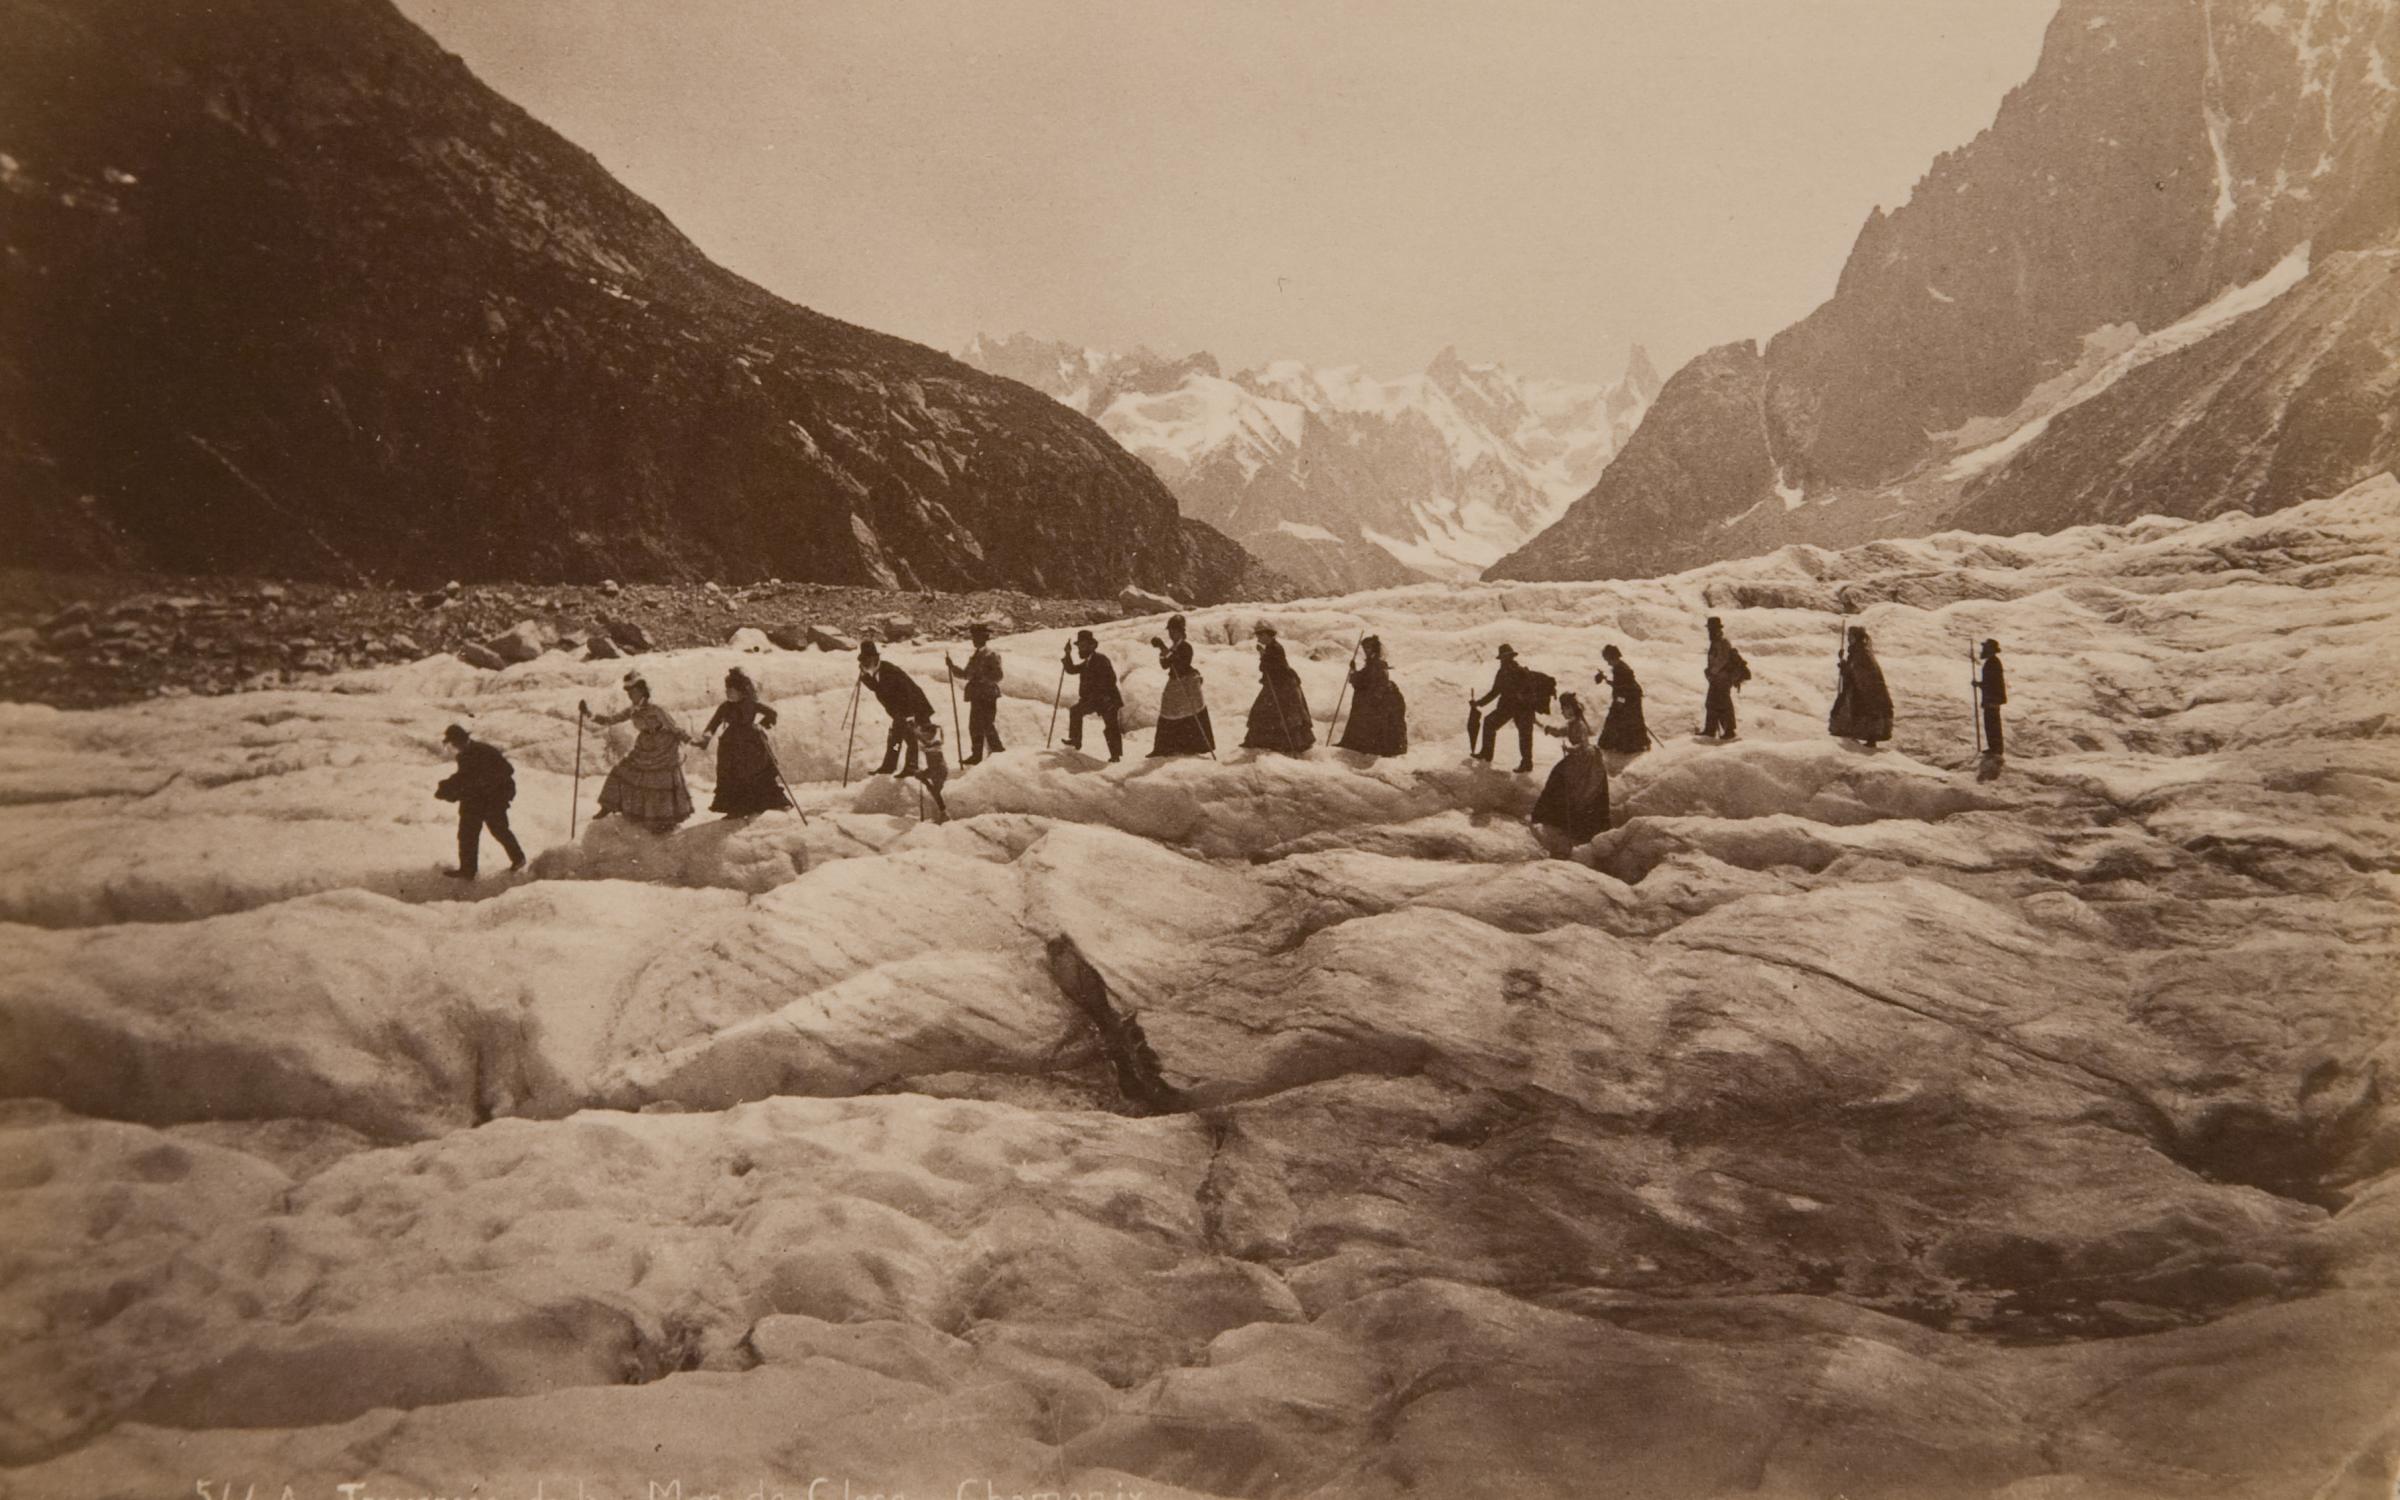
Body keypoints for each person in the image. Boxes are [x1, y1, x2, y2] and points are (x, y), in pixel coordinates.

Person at [582, 672, 697, 830]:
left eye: (633, 691)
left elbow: (674, 727)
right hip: (645, 745)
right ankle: (608, 806)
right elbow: (610, 720)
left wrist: (691, 740)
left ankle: (662, 821)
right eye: (628, 691)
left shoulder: (656, 708)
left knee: (658, 784)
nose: (630, 695)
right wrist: (589, 714)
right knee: (621, 771)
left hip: (663, 747)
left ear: (643, 691)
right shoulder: (632, 710)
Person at [434, 723, 525, 879]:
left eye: (455, 742)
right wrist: (448, 787)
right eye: (452, 743)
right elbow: (465, 777)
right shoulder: (462, 756)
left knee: (499, 829)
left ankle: (519, 859)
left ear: (463, 739)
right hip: (474, 799)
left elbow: (507, 770)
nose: (454, 745)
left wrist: (486, 783)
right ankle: (467, 871)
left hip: (494, 798)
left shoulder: (484, 750)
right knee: (467, 834)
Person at [698, 666, 791, 815]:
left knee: (757, 773)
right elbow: (714, 722)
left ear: (740, 691)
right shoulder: (725, 707)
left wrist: (761, 725)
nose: (728, 693)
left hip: (751, 744)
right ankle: (737, 809)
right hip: (731, 745)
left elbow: (771, 713)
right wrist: (707, 735)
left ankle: (772, 802)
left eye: (731, 690)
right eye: (726, 690)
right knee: (733, 776)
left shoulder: (751, 704)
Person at [1530, 692, 1611, 846]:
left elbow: (1583, 745)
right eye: (1562, 709)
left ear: (1572, 709)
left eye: (1565, 709)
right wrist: (1538, 724)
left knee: (1580, 790)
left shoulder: (1579, 725)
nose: (1563, 712)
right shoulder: (1572, 724)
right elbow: (1558, 731)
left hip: (1587, 762)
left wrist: (1570, 748)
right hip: (1577, 759)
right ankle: (1554, 820)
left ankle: (1575, 827)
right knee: (1558, 776)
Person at [859, 642, 934, 777]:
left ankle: (915, 767)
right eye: (863, 660)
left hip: (915, 707)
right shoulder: (876, 672)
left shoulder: (890, 671)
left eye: (867, 659)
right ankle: (889, 767)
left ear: (875, 658)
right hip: (900, 711)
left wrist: (910, 715)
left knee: (915, 738)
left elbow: (907, 691)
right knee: (896, 738)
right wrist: (865, 677)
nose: (865, 663)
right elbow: (877, 688)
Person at [1240, 622, 1315, 754]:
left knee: (1282, 714)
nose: (1258, 638)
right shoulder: (1271, 647)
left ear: (1268, 635)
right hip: (1278, 683)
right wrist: (1264, 655)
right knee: (1268, 712)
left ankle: (1285, 744)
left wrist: (1263, 657)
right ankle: (1271, 742)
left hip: (1283, 685)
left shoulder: (1275, 648)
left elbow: (1274, 667)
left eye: (1260, 635)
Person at [1473, 644, 1548, 772]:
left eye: (1506, 657)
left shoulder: (1520, 672)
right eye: (1503, 658)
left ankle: (1526, 764)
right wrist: (1479, 703)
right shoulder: (1502, 672)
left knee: (1524, 735)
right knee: (1489, 722)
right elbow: (1495, 692)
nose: (1504, 660)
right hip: (1508, 708)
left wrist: (1527, 702)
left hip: (1523, 708)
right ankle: (1486, 754)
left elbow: (1528, 691)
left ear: (1510, 657)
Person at [1148, 614, 1215, 757]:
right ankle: (1164, 747)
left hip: (1186, 682)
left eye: (1174, 631)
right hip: (1175, 682)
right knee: (1169, 711)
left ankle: (1189, 746)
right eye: (1170, 631)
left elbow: (1181, 664)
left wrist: (1164, 648)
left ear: (1181, 631)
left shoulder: (1186, 647)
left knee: (1189, 712)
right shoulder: (1173, 647)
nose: (1171, 634)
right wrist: (1162, 651)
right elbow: (1165, 665)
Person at [1334, 634, 1408, 757]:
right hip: (1376, 698)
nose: (1366, 651)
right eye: (1365, 648)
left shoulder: (1376, 664)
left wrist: (1353, 673)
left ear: (1374, 649)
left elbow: (1365, 680)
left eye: (1368, 648)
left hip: (1376, 700)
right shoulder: (1374, 663)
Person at [944, 623, 1006, 766]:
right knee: (974, 726)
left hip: (988, 694)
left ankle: (998, 751)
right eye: (973, 637)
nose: (973, 640)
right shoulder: (975, 656)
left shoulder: (992, 655)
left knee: (987, 724)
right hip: (977, 695)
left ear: (984, 638)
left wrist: (982, 678)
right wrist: (952, 666)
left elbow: (998, 675)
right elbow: (966, 675)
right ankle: (976, 756)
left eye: (976, 637)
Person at [1061, 629, 1124, 761]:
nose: (1080, 649)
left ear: (1092, 646)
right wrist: (1067, 654)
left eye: (1083, 646)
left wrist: (1099, 696)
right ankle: (1075, 741)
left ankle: (1115, 756)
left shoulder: (1101, 659)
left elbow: (1110, 679)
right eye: (1079, 647)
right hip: (1095, 699)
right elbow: (1071, 670)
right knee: (1076, 711)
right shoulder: (1088, 661)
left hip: (1108, 700)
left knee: (1111, 726)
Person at [1827, 626, 1895, 748]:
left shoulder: (1860, 653)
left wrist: (1844, 666)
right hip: (1865, 689)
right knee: (1864, 711)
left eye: (1850, 636)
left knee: (1862, 711)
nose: (1848, 638)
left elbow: (1855, 672)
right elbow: (1853, 671)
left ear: (1855, 638)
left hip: (1863, 690)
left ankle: (1866, 739)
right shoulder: (1859, 651)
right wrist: (1843, 663)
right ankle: (1866, 738)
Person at [1595, 645, 1648, 755]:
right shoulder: (1619, 668)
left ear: (1612, 657)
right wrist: (1608, 681)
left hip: (1630, 700)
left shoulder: (1622, 670)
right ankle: (1619, 745)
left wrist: (1619, 703)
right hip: (1628, 699)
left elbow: (1625, 690)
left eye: (1608, 660)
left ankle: (1627, 747)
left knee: (1623, 720)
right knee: (1622, 720)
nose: (1608, 663)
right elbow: (1620, 685)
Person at [1703, 617, 1746, 741]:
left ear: (1718, 629)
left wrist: (1712, 672)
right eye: (1709, 629)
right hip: (1716, 679)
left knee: (1724, 704)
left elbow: (1722, 660)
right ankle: (1710, 730)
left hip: (1723, 679)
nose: (1710, 632)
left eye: (1712, 629)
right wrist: (1710, 672)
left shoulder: (1723, 642)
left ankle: (1729, 731)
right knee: (1711, 703)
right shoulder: (1714, 643)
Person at [900, 715, 949, 822]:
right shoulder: (932, 741)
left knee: (934, 790)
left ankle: (943, 813)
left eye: (926, 734)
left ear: (931, 734)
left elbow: (923, 740)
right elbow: (921, 738)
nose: (924, 736)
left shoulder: (935, 743)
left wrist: (914, 729)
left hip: (938, 771)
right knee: (935, 791)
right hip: (936, 770)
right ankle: (942, 813)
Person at [1977, 638, 2008, 781]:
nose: (1982, 651)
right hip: (1992, 698)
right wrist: (1980, 684)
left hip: (1992, 699)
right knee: (1991, 723)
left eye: (1985, 648)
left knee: (1992, 723)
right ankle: (1994, 747)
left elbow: (1992, 683)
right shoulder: (1992, 662)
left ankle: (1996, 748)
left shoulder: (1992, 663)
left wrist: (1981, 685)